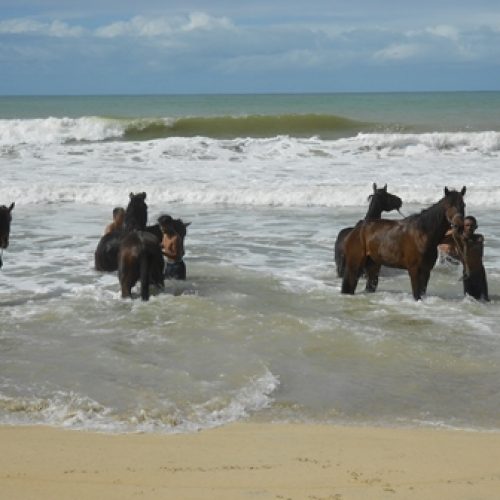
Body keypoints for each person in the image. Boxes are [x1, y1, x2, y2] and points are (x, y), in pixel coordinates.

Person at [458, 216, 489, 301]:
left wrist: (466, 242)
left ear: (476, 227)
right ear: (463, 227)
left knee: (484, 300)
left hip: (479, 274)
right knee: (469, 302)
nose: (469, 228)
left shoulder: (479, 238)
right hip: (467, 274)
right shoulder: (459, 239)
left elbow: (477, 249)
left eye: (472, 225)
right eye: (467, 225)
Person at [159, 216, 186, 280]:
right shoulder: (165, 235)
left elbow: (176, 256)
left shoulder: (175, 238)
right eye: (160, 226)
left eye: (163, 226)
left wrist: (161, 252)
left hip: (177, 267)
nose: (161, 228)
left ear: (170, 225)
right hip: (168, 265)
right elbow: (163, 245)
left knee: (179, 289)